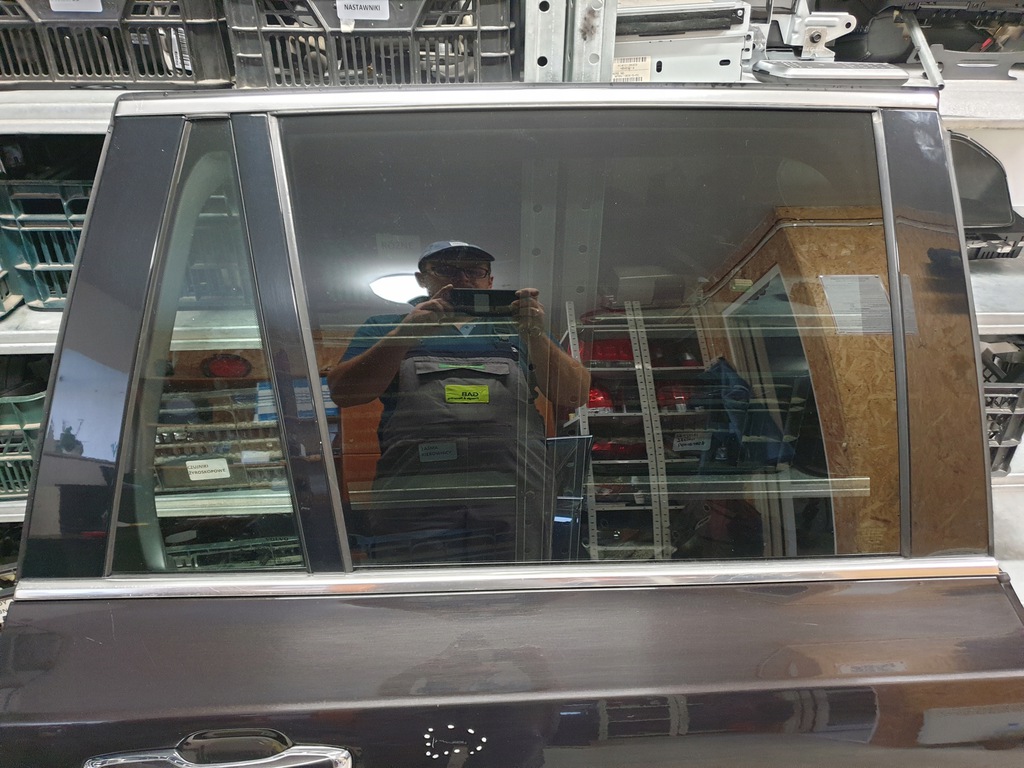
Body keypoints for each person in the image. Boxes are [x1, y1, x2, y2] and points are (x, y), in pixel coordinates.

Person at [329, 241, 590, 562]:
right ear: (422, 279)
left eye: (474, 271)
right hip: (418, 498)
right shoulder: (386, 326)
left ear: (490, 281)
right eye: (447, 270)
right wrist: (406, 332)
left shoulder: (519, 330)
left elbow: (574, 395)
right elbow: (344, 393)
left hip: (513, 494)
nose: (463, 278)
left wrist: (535, 334)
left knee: (513, 586)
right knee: (420, 587)